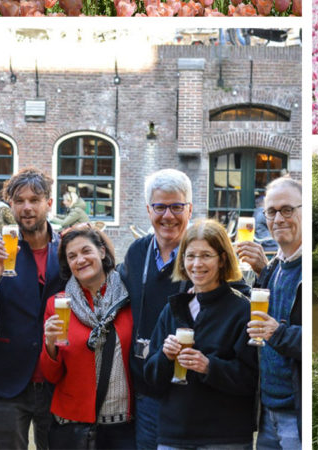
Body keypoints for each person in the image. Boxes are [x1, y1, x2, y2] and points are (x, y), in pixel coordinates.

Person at [0, 168, 66, 450]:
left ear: (48, 202)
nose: (27, 207)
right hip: (8, 382)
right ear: (10, 205)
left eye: (34, 200)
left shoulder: (68, 250)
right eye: (19, 200)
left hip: (58, 379)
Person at [144, 219, 258, 449]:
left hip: (225, 438)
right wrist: (164, 357)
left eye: (206, 255)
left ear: (223, 258)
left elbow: (252, 381)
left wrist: (209, 366)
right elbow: (152, 381)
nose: (197, 264)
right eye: (190, 256)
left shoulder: (242, 310)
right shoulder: (173, 309)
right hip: (173, 436)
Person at [119, 169, 193, 450]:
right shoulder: (137, 252)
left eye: (177, 207)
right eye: (160, 207)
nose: (168, 216)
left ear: (190, 208)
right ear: (148, 209)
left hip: (190, 389)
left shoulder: (203, 252)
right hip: (147, 388)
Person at [40, 227, 134, 449]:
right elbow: (51, 376)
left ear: (102, 252)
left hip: (123, 424)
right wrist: (50, 345)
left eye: (86, 251)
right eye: (72, 256)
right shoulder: (56, 304)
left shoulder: (129, 298)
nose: (80, 260)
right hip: (74, 426)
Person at [236, 178, 302, 449]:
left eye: (287, 210)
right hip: (267, 413)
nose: (278, 219)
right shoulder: (275, 268)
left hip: (295, 416)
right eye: (271, 212)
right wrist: (262, 270)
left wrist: (280, 333)